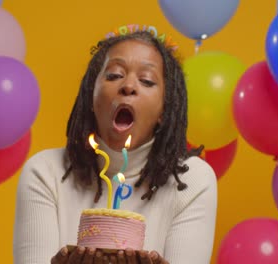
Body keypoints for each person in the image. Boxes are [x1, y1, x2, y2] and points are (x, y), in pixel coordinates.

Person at [13, 24, 217, 264]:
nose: (128, 86)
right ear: (91, 94)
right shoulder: (45, 172)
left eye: (147, 81)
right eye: (114, 75)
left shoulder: (192, 181)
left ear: (165, 109)